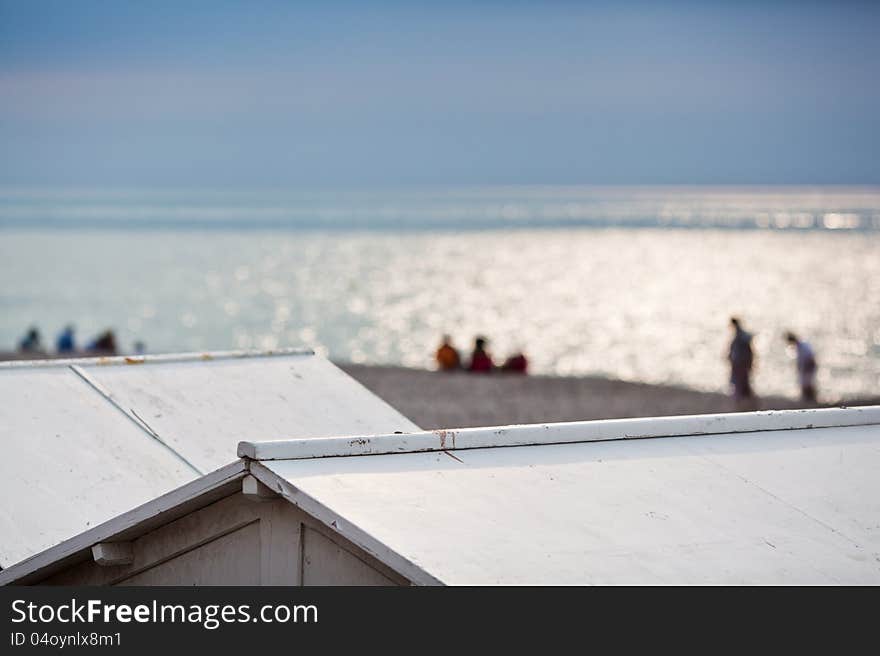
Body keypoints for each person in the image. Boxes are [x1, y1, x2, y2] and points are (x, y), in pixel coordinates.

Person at [728, 317, 755, 406]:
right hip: (739, 365)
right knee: (742, 384)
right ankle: (744, 404)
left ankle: (744, 404)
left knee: (742, 385)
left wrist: (749, 363)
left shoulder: (741, 336)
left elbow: (748, 351)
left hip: (741, 365)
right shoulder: (739, 336)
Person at [786, 332, 817, 402]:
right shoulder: (800, 346)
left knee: (807, 384)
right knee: (806, 384)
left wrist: (805, 368)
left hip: (808, 368)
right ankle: (809, 399)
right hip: (806, 368)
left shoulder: (803, 346)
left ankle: (811, 400)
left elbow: (810, 358)